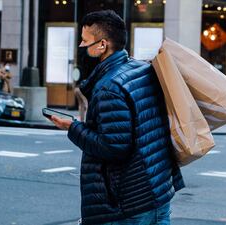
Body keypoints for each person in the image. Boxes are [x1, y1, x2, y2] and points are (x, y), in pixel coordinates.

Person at [50, 10, 184, 225]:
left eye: (85, 41)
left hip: (127, 203)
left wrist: (73, 127)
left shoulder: (109, 88)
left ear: (102, 45)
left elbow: (114, 147)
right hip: (157, 191)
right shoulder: (142, 69)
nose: (82, 47)